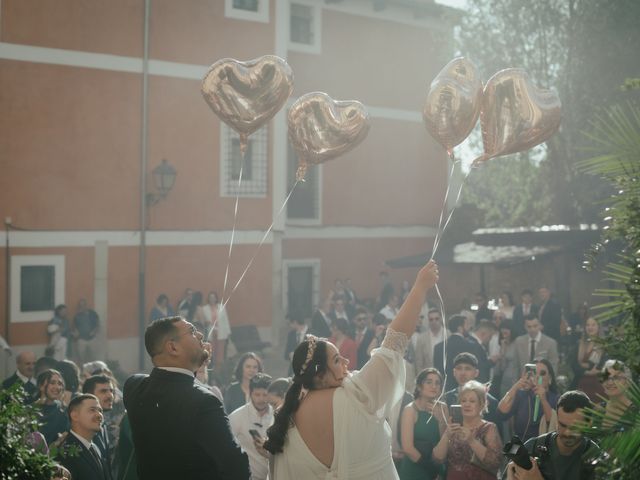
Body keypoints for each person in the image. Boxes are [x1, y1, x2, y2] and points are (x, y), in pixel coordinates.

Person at [264, 260, 439, 479]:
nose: (346, 362)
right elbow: (395, 342)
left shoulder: (285, 418)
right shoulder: (356, 394)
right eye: (337, 360)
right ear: (319, 375)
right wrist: (420, 287)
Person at [123, 316, 250, 479]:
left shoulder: (133, 387)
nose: (200, 336)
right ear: (173, 347)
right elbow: (236, 466)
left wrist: (194, 367)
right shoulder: (205, 402)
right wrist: (194, 368)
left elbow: (173, 387)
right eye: (192, 331)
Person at [505, 390, 600, 480]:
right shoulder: (534, 446)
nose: (567, 432)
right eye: (562, 425)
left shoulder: (595, 456)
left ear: (589, 423)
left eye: (574, 427)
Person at [432, 380, 502, 479]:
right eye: (463, 401)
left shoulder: (489, 428)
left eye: (472, 401)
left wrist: (471, 440)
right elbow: (437, 459)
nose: (467, 404)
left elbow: (494, 463)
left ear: (481, 404)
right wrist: (446, 434)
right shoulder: (453, 427)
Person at [399, 368, 447, 480]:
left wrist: (441, 420)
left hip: (438, 468)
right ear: (419, 386)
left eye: (437, 383)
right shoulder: (410, 410)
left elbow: (446, 441)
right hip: (414, 470)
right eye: (429, 382)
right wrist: (431, 469)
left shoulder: (443, 408)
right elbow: (407, 448)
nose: (434, 386)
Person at [498, 359, 560, 442]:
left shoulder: (556, 399)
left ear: (550, 378)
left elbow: (553, 425)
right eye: (534, 373)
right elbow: (501, 413)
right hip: (519, 444)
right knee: (510, 453)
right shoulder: (522, 395)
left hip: (541, 447)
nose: (538, 376)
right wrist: (516, 387)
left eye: (542, 373)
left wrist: (543, 400)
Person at [56, 394, 113, 480]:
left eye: (100, 411)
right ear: (75, 416)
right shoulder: (65, 452)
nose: (99, 415)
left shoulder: (95, 448)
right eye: (92, 410)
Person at [229, 373, 274, 480]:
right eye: (257, 395)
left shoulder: (277, 415)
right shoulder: (237, 416)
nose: (261, 399)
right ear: (250, 393)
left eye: (265, 395)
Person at [433, 315, 481, 391]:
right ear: (460, 328)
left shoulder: (438, 347)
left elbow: (437, 371)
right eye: (466, 325)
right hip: (467, 389)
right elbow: (478, 367)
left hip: (444, 389)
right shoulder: (472, 346)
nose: (468, 328)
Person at [83, 375, 115, 475]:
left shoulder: (102, 423)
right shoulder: (82, 425)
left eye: (111, 391)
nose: (110, 395)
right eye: (103, 391)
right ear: (89, 395)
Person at [572, 317, 606, 401]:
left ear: (599, 327)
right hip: (580, 381)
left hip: (599, 383)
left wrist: (598, 371)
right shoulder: (579, 343)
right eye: (588, 325)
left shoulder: (605, 345)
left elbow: (607, 365)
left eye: (593, 325)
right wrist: (586, 372)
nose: (590, 327)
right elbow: (573, 364)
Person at [35, 369, 70, 444]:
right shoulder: (30, 410)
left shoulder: (64, 411)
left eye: (60, 384)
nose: (57, 387)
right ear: (41, 386)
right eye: (52, 383)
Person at [600, 359, 632, 426]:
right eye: (606, 377)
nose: (610, 382)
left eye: (617, 378)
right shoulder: (598, 409)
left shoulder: (636, 412)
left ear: (628, 382)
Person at [204, 291, 231, 367]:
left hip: (221, 332)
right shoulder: (204, 308)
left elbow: (226, 320)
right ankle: (212, 369)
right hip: (210, 333)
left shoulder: (221, 306)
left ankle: (219, 370)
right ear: (208, 299)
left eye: (213, 297)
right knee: (212, 353)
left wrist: (228, 332)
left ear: (216, 298)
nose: (212, 299)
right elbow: (203, 321)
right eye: (210, 298)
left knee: (220, 354)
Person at [73, 299, 100, 364]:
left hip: (92, 338)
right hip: (81, 339)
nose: (82, 307)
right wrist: (76, 334)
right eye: (80, 306)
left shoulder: (92, 313)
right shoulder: (77, 316)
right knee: (81, 357)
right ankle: (84, 371)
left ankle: (95, 371)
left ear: (86, 305)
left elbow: (97, 324)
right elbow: (75, 327)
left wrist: (94, 331)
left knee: (94, 356)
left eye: (83, 305)